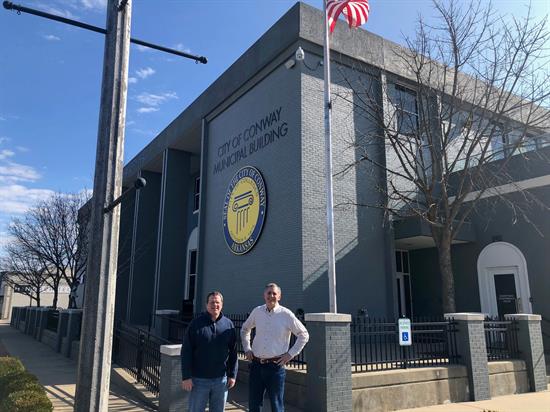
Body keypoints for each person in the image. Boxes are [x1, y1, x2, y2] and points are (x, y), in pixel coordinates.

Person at [241, 283, 309, 412]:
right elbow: (245, 329)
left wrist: (290, 354)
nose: (271, 296)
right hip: (256, 365)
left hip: (275, 367)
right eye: (269, 293)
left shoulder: (286, 314)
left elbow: (304, 334)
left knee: (277, 406)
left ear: (279, 296)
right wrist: (247, 348)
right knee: (254, 405)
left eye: (274, 293)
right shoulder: (257, 312)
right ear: (264, 295)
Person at [181, 291, 238, 412]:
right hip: (199, 380)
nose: (215, 305)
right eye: (212, 302)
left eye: (217, 302)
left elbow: (233, 352)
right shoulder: (195, 324)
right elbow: (186, 351)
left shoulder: (228, 325)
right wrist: (186, 377)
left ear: (221, 304)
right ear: (206, 305)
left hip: (221, 381)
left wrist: (232, 375)